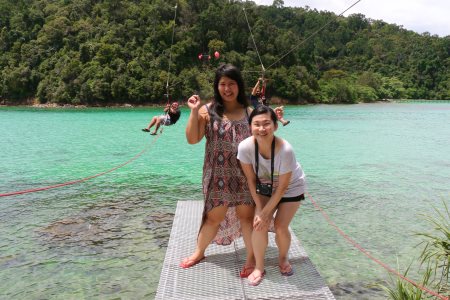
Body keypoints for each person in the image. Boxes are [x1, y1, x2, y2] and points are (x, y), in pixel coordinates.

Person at [180, 64, 256, 277]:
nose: (227, 88)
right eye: (222, 84)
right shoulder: (208, 110)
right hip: (217, 176)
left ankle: (251, 258)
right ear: (217, 86)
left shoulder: (250, 113)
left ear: (239, 85)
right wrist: (194, 112)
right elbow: (192, 139)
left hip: (245, 176)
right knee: (213, 217)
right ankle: (199, 252)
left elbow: (264, 142)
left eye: (231, 83)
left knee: (246, 217)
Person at [237, 105, 306, 286]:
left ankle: (283, 258)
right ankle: (259, 267)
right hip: (266, 187)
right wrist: (260, 210)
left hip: (291, 187)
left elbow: (283, 187)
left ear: (275, 126)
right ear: (250, 126)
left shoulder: (285, 150)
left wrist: (267, 211)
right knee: (259, 224)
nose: (261, 129)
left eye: (267, 124)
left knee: (280, 226)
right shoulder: (245, 147)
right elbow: (251, 180)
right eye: (256, 124)